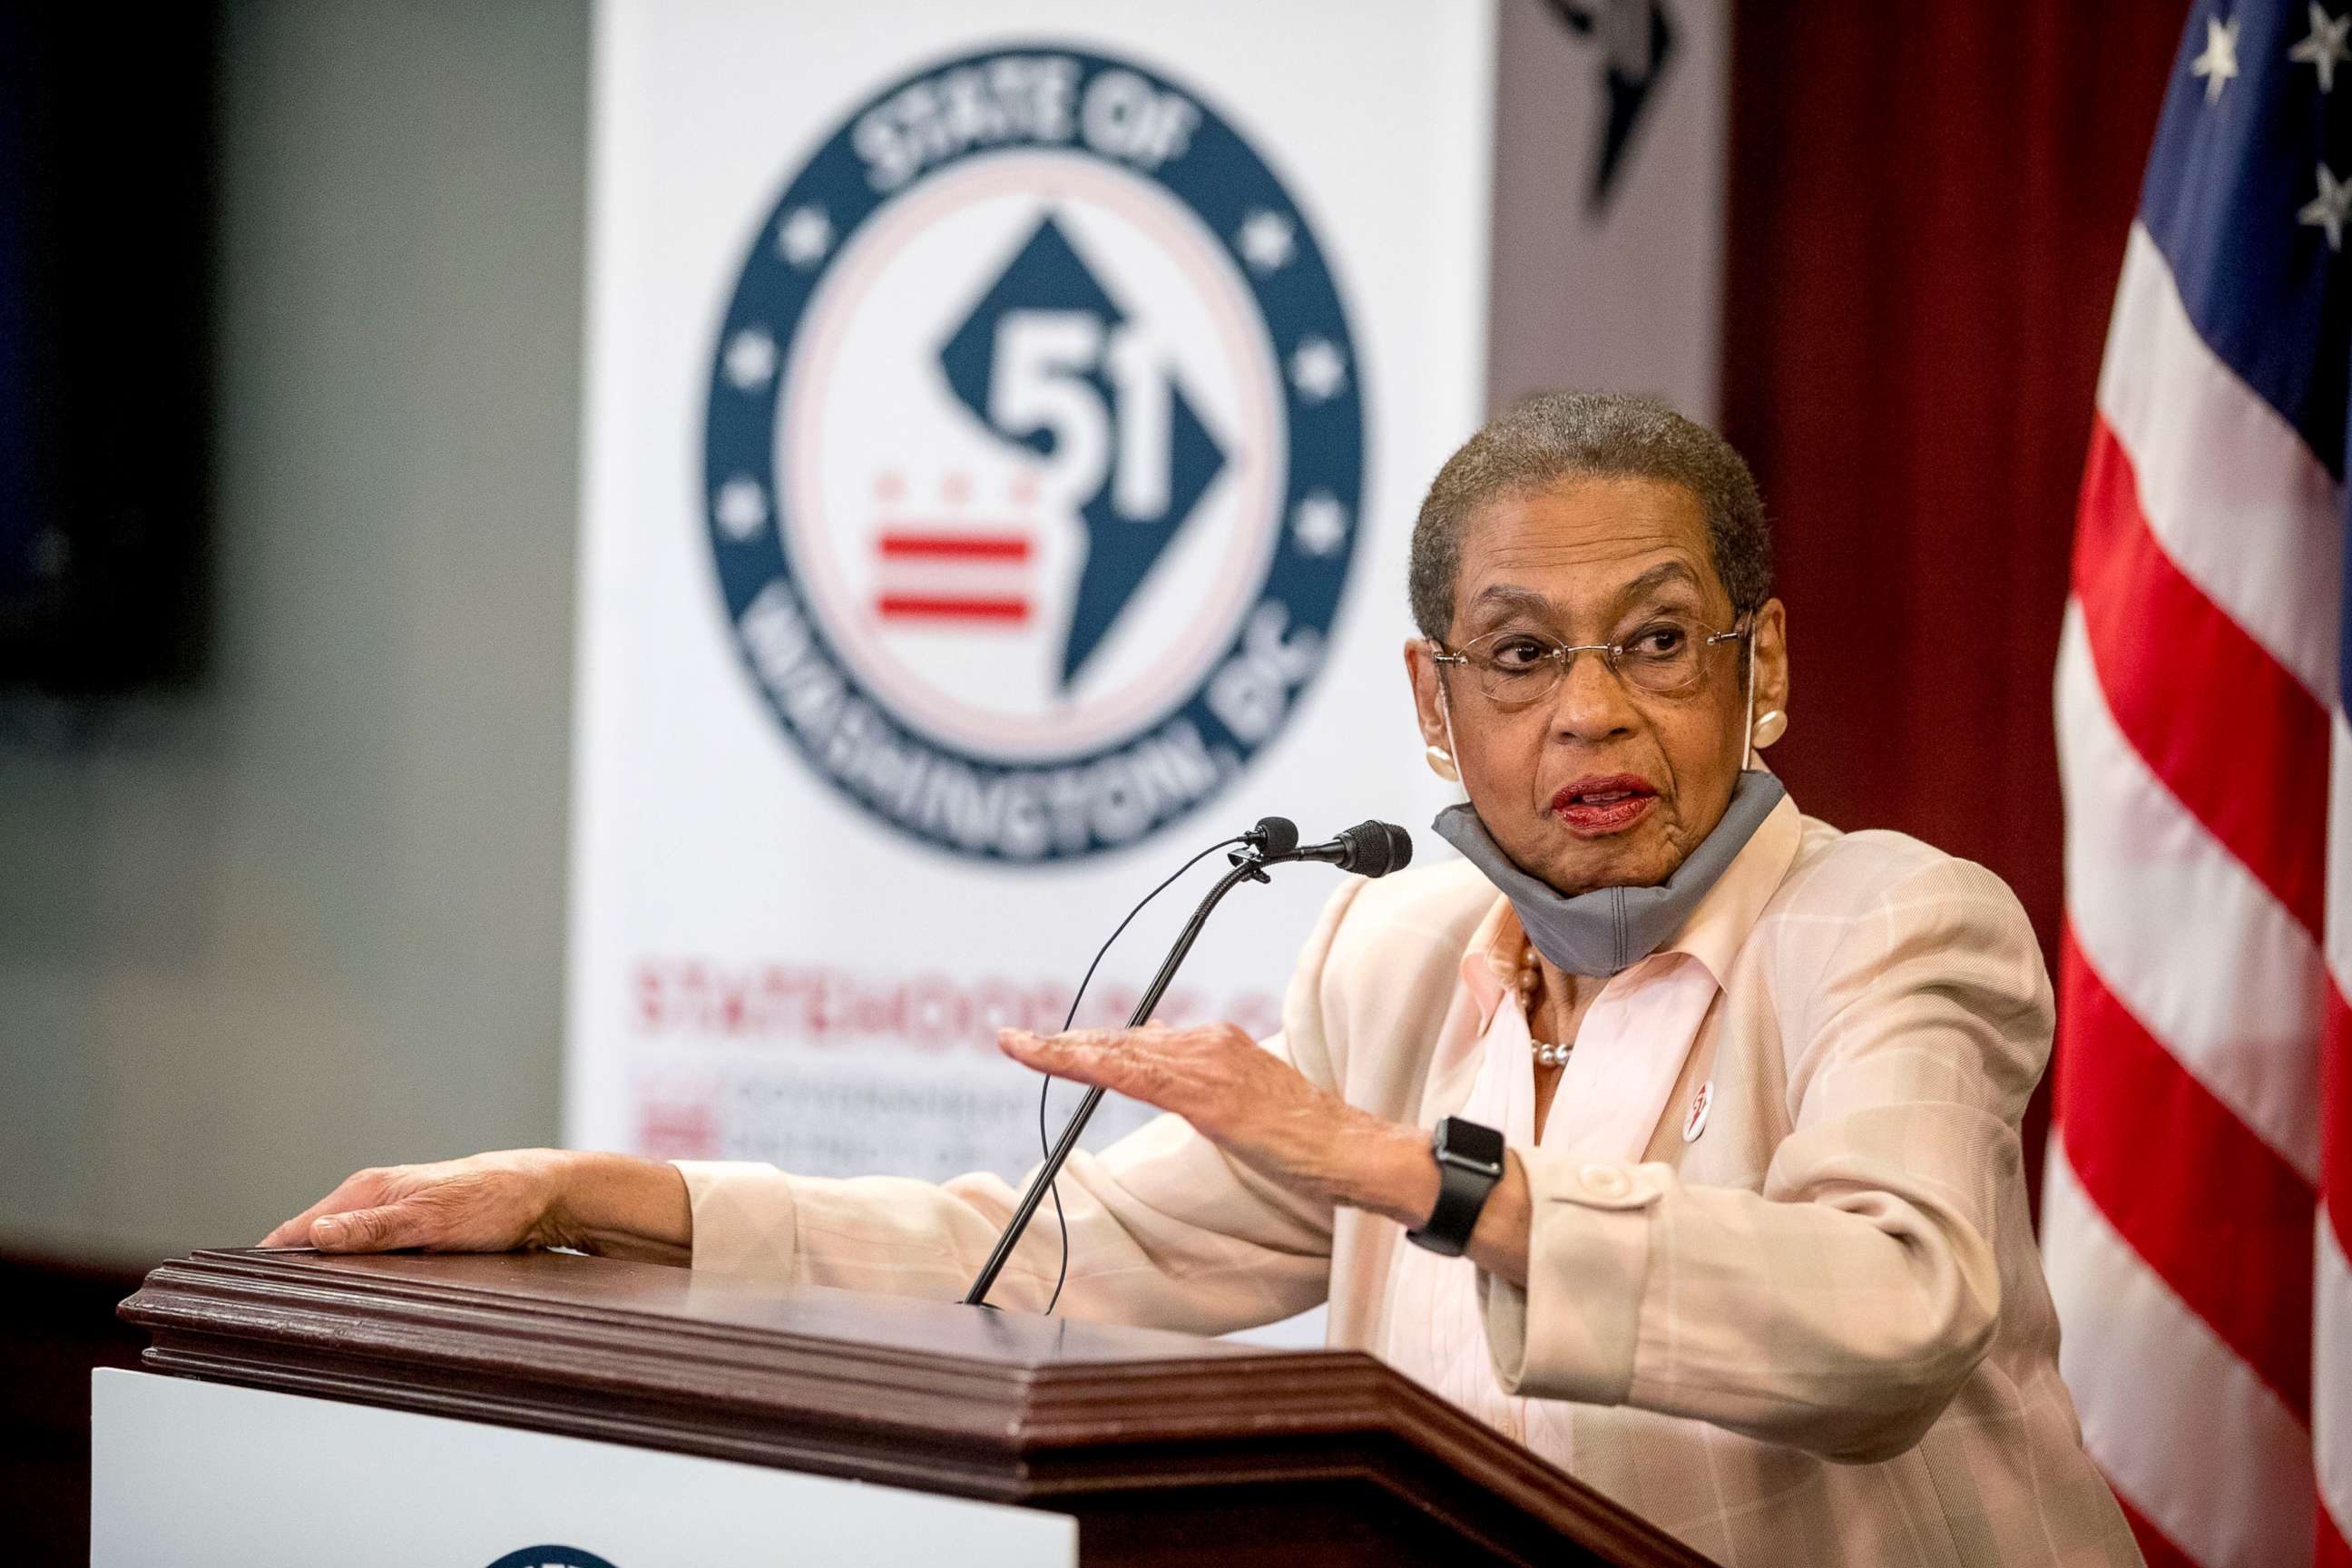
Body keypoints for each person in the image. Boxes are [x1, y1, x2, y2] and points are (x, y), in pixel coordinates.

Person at [267, 393, 2142, 1567]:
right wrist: (609, 1199)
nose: (1593, 710)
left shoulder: (1899, 927)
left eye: (1658, 641)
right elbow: (1058, 1255)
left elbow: (1892, 1313)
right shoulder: (1400, 947)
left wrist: (1419, 1176)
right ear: (1435, 705)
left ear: (1765, 667)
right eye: (1519, 656)